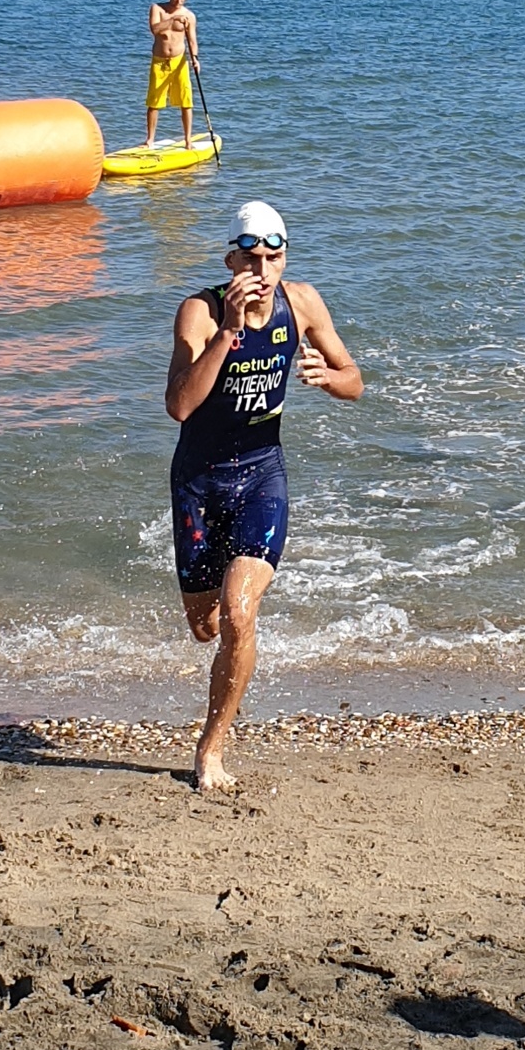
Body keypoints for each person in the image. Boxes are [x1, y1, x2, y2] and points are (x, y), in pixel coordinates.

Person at [165, 199, 364, 791]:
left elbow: (354, 379)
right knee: (205, 626)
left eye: (272, 257)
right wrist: (228, 333)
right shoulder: (199, 314)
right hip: (199, 481)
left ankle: (211, 750)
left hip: (261, 476)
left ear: (284, 260)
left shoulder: (300, 303)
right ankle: (226, 670)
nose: (261, 268)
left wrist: (330, 379)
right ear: (229, 259)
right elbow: (178, 405)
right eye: (249, 256)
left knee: (239, 612)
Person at [146, 0, 199, 149]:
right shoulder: (158, 9)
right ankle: (150, 140)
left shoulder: (189, 16)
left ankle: (188, 139)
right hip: (160, 61)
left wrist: (195, 59)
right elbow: (155, 29)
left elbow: (192, 40)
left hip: (179, 61)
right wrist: (173, 19)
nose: (178, 1)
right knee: (154, 102)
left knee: (186, 100)